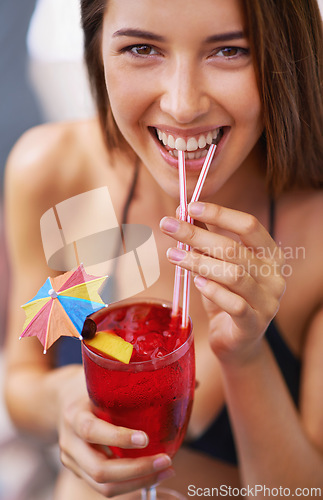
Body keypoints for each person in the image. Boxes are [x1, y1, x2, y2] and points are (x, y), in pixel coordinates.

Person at [3, 0, 323, 498]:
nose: (182, 104)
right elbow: (23, 371)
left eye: (229, 51)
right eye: (141, 47)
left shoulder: (316, 239)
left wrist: (245, 356)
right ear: (97, 49)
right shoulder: (56, 177)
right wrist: (64, 399)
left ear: (286, 54)